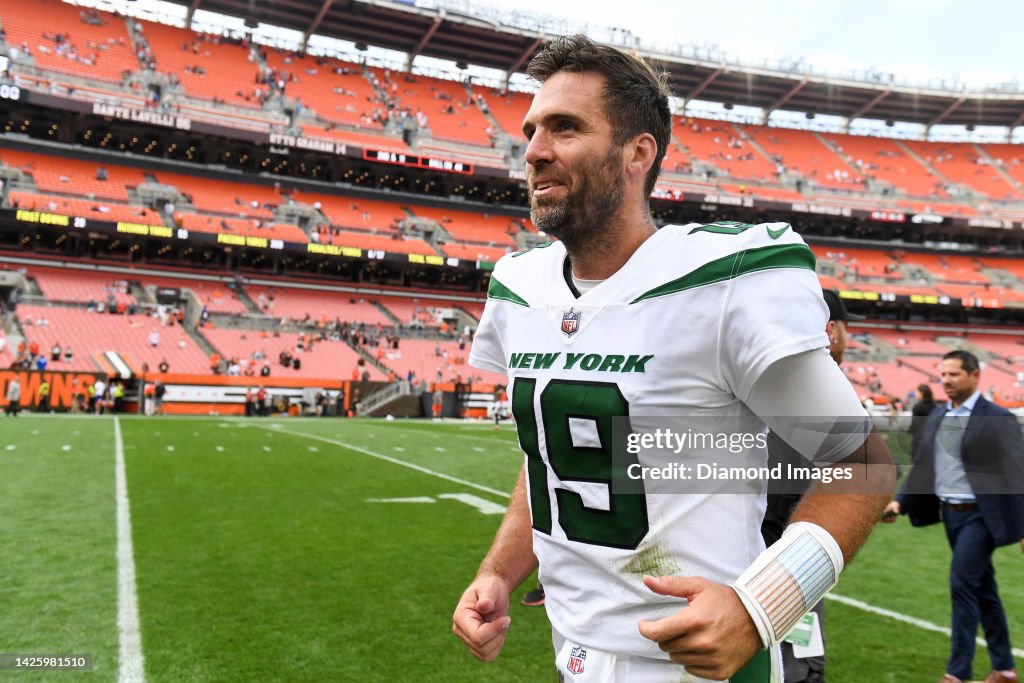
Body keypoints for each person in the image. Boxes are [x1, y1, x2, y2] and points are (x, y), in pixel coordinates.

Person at [453, 35, 895, 682]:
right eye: (532, 130)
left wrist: (758, 608)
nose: (535, 150)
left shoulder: (724, 280)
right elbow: (548, 453)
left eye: (565, 127)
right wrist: (498, 571)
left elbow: (864, 465)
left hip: (700, 667)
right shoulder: (520, 287)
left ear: (638, 153)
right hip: (573, 653)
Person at [883, 350, 1024, 683]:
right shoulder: (937, 415)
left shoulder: (997, 418)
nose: (946, 380)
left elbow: (1017, 473)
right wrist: (899, 503)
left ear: (975, 376)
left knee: (962, 585)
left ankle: (956, 673)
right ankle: (1004, 668)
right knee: (983, 589)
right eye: (943, 374)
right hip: (951, 516)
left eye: (954, 374)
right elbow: (923, 467)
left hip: (981, 517)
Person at [760, 288, 863, 683]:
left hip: (751, 539)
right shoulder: (813, 385)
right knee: (798, 663)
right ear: (832, 330)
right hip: (788, 550)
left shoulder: (768, 373)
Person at [910, 383, 938, 459]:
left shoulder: (918, 407)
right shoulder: (935, 406)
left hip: (919, 437)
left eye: (917, 392)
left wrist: (910, 430)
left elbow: (915, 424)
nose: (915, 393)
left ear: (922, 393)